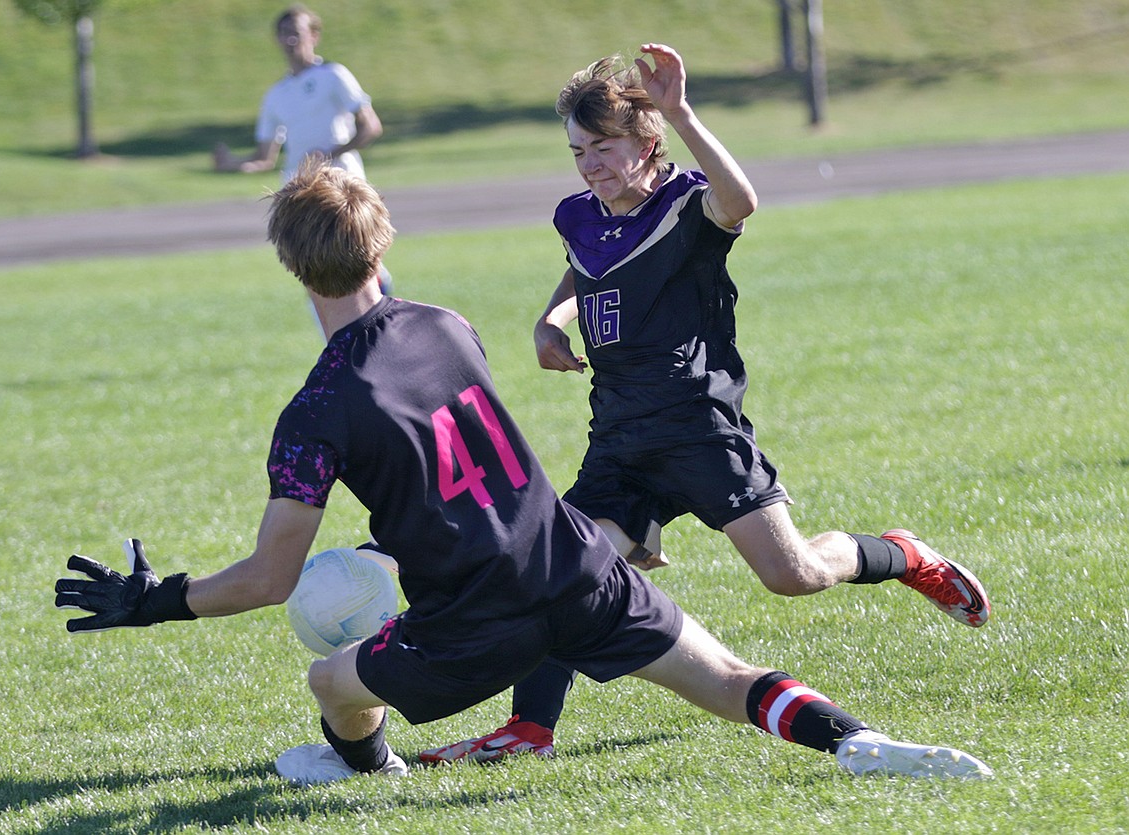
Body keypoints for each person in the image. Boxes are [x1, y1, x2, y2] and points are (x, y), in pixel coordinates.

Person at [53, 163, 992, 785]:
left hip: (469, 624)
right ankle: (858, 741)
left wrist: (157, 598)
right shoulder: (449, 326)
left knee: (330, 681)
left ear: (296, 270)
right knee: (736, 680)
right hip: (580, 569)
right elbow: (442, 455)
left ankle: (372, 766)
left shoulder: (313, 413)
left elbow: (266, 578)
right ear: (381, 244)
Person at [419, 44, 991, 766]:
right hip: (620, 441)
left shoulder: (690, 205)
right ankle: (530, 729)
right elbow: (586, 268)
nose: (591, 164)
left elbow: (742, 200)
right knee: (561, 574)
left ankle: (900, 552)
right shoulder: (578, 215)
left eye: (604, 147)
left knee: (794, 576)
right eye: (578, 152)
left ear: (647, 143)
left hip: (700, 430)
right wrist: (550, 320)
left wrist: (683, 110)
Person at [213, 4, 383, 184]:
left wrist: (330, 155)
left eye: (296, 33)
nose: (290, 40)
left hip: (341, 184)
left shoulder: (333, 75)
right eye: (285, 33)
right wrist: (231, 163)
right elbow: (265, 159)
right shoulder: (276, 94)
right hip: (298, 190)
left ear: (314, 36)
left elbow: (371, 127)